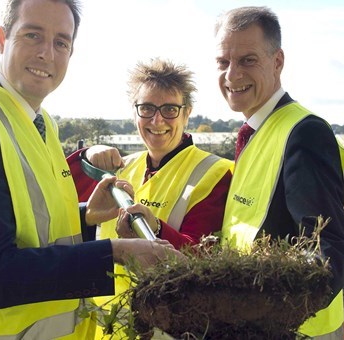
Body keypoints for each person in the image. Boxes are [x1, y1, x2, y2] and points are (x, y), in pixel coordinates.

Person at [0, 1, 180, 339]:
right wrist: (115, 253)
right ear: (2, 39)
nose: (46, 54)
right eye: (32, 35)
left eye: (61, 42)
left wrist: (87, 215)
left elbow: (27, 225)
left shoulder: (40, 123)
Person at [214, 7, 344, 339]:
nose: (232, 75)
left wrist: (269, 321)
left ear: (277, 62)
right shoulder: (258, 132)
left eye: (248, 60)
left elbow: (329, 253)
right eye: (222, 62)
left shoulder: (303, 132)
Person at [67, 58, 233, 337]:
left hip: (168, 330)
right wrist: (88, 154)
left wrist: (155, 228)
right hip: (105, 328)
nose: (158, 120)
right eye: (147, 109)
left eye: (170, 109)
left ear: (186, 113)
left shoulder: (213, 173)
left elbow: (203, 259)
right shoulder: (122, 166)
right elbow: (56, 199)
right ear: (135, 113)